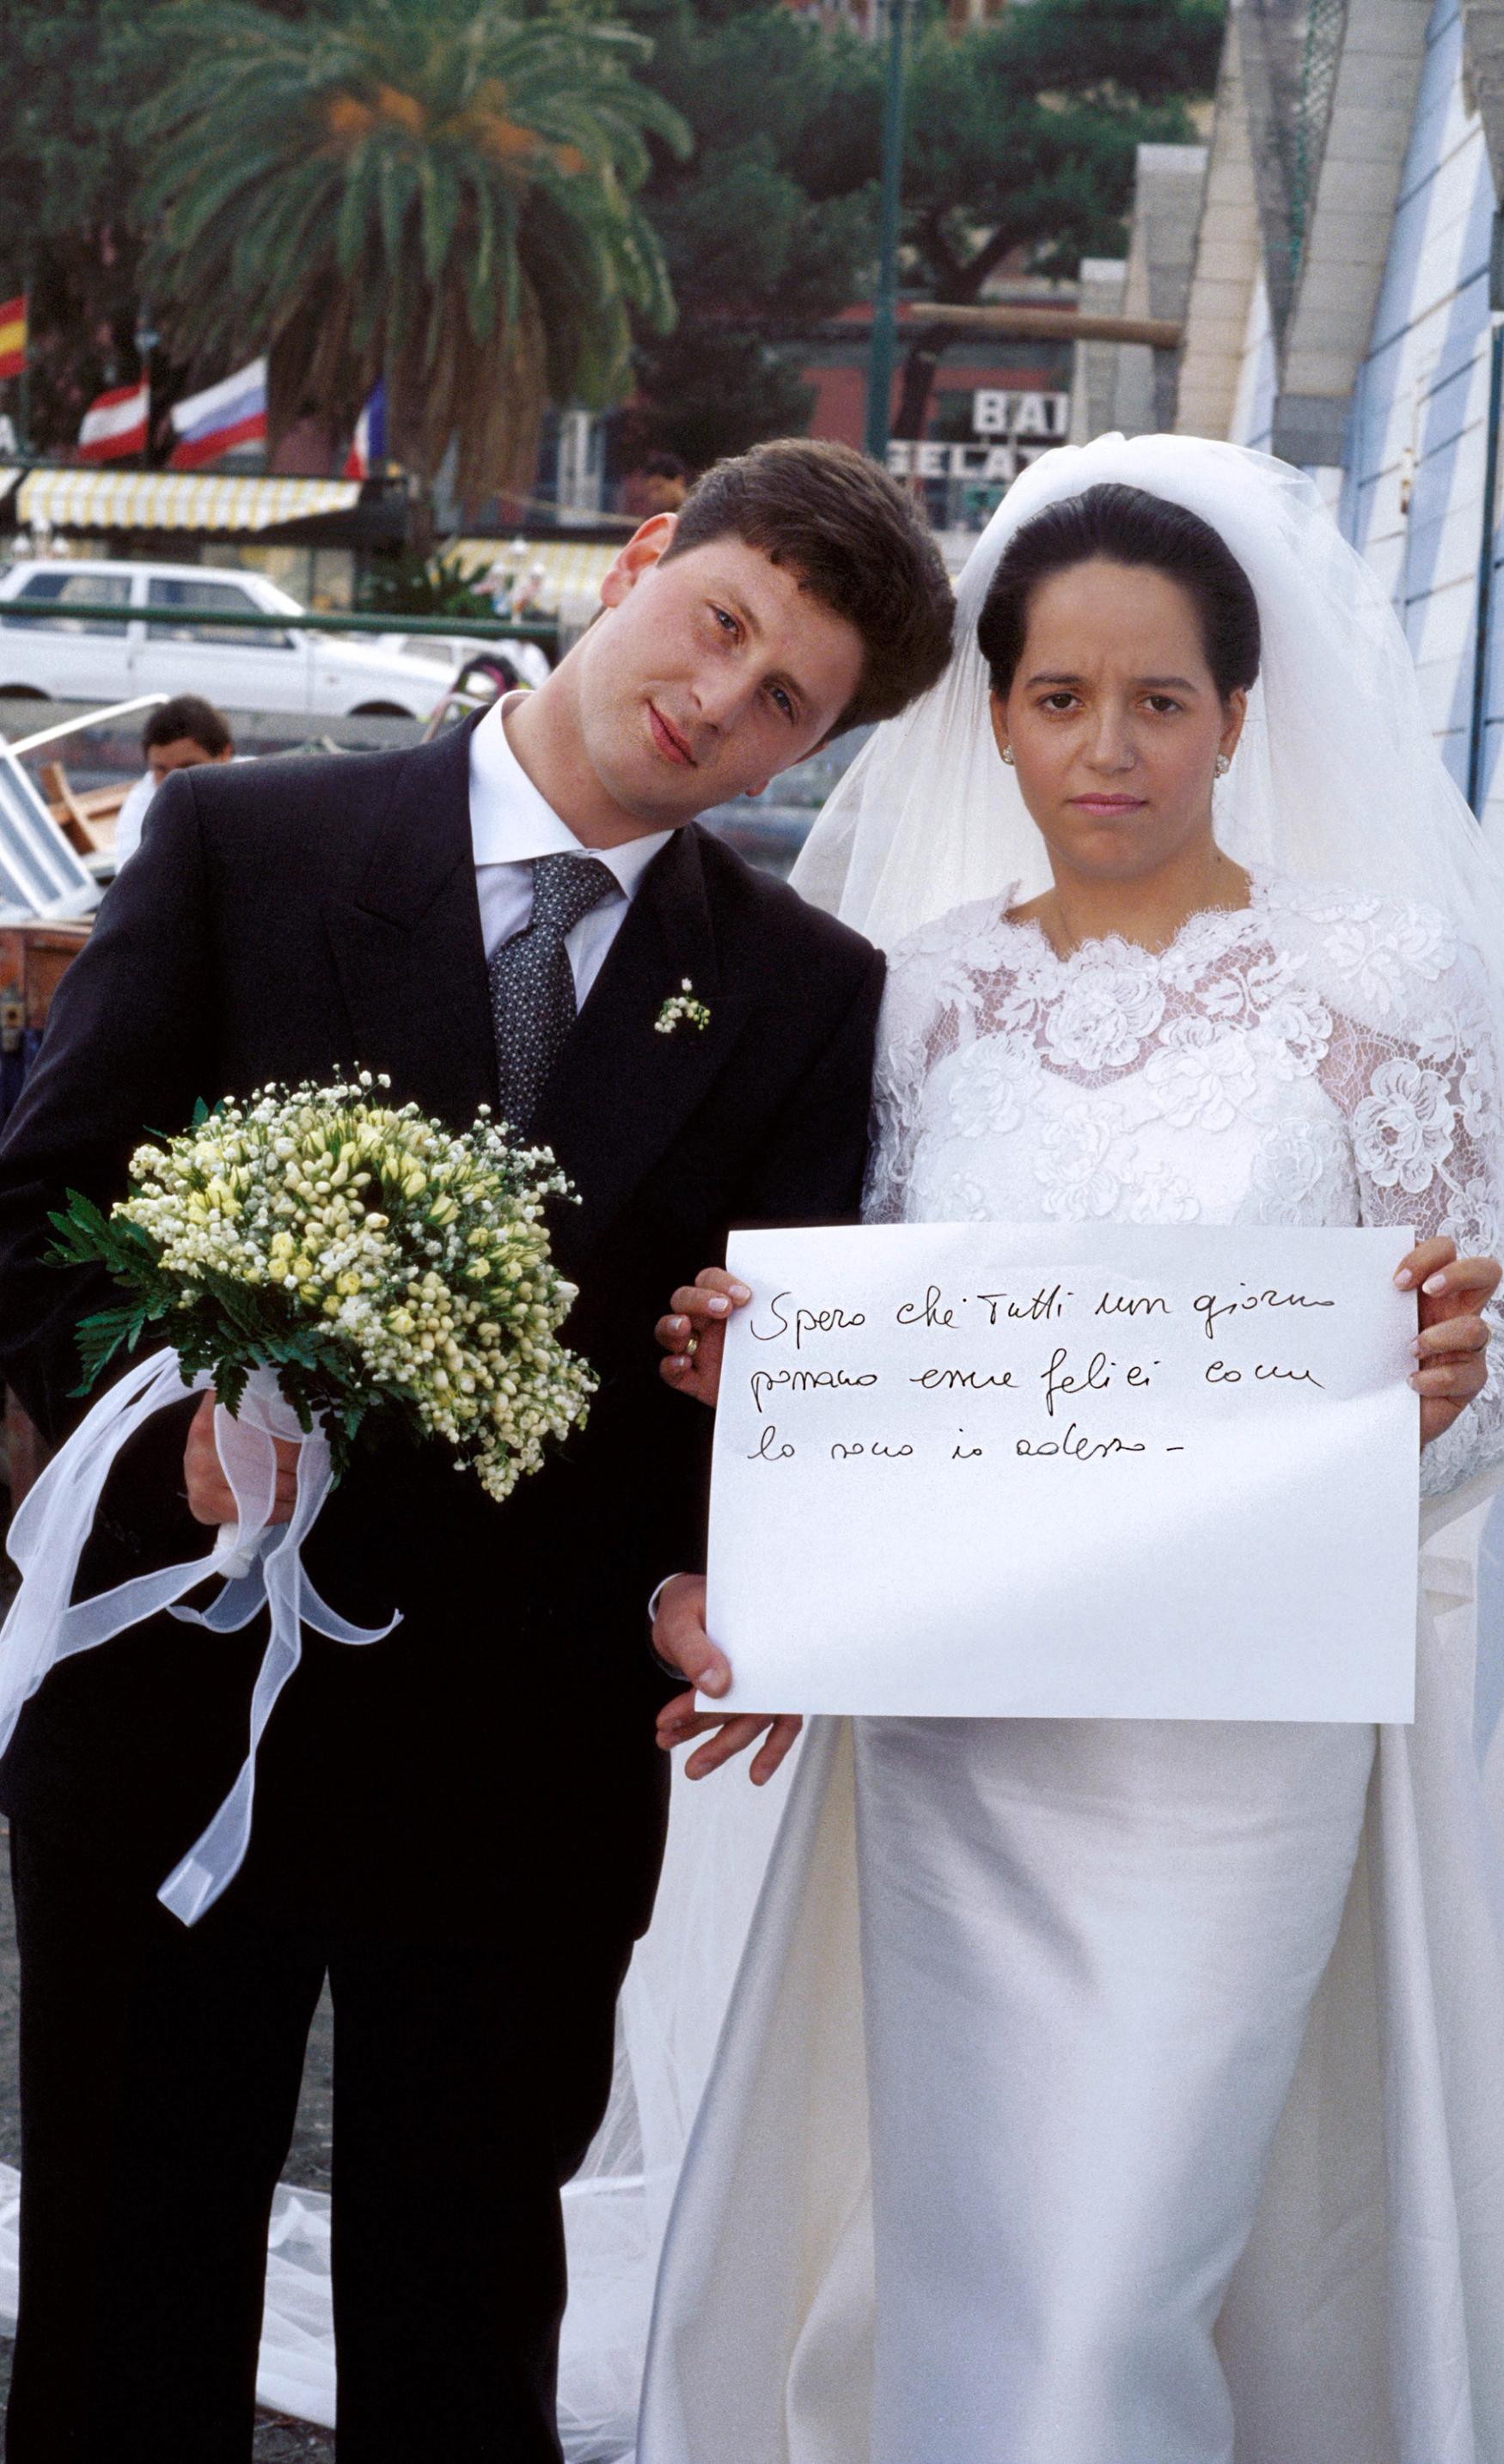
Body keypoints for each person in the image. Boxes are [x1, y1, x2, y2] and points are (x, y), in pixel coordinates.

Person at [639, 441, 1504, 2461]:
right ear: (998, 716)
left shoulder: (1382, 984)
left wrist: (1431, 1392)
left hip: (1236, 1749)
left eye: (1161, 698)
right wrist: (742, 1370)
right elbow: (873, 1354)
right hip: (959, 1742)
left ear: (1238, 717)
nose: (1108, 746)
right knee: (975, 2247)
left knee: (1116, 2279)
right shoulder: (919, 996)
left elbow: (1499, 1376)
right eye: (1060, 696)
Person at [0, 437, 953, 2462]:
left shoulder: (806, 991)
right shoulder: (243, 840)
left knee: (464, 2321)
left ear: (818, 745)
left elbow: (764, 1386)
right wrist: (172, 1437)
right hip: (182, 1699)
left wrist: (732, 1543)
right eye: (718, 621)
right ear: (639, 557)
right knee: (121, 2295)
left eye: (786, 698)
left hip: (527, 1753)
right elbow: (42, 1213)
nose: (717, 697)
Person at [111, 693, 235, 869]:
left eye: (187, 767)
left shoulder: (262, 789)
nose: (173, 783)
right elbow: (133, 875)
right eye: (161, 769)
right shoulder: (141, 807)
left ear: (225, 754)